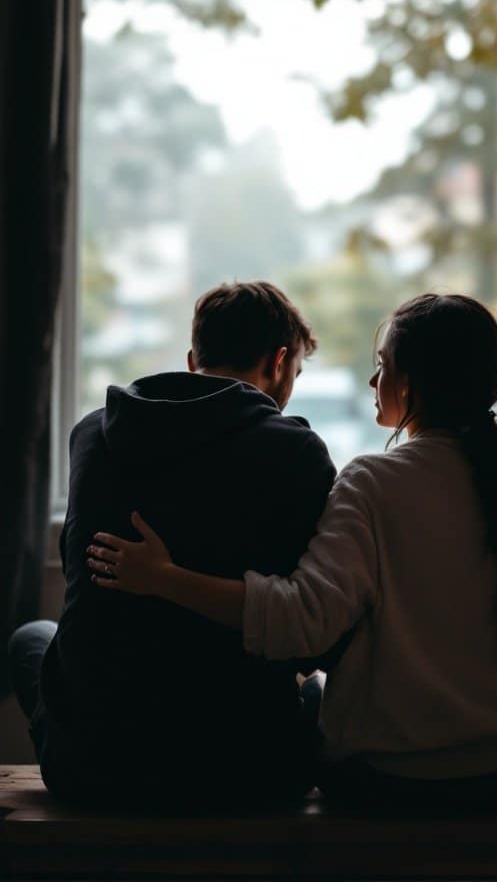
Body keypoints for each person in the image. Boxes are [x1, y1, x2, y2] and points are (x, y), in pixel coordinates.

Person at [88, 294, 497, 812]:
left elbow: (302, 624)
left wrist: (166, 577)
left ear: (413, 383)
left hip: (393, 781)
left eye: (381, 366)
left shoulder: (371, 483)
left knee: (309, 700)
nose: (371, 382)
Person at [8, 281, 338, 808]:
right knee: (317, 691)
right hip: (249, 771)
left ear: (192, 360)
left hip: (91, 767)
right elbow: (305, 639)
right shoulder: (295, 452)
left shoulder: (92, 434)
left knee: (32, 637)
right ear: (278, 363)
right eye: (295, 373)